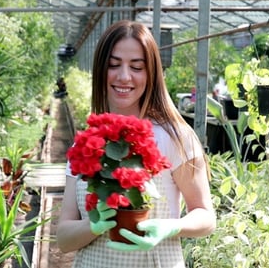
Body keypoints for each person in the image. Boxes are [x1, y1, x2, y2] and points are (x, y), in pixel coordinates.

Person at [57, 20, 216, 268]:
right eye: (113, 65)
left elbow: (206, 216)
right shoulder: (87, 145)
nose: (124, 76)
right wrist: (93, 225)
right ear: (101, 70)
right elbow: (64, 238)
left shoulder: (174, 136)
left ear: (151, 73)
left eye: (137, 67)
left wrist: (173, 226)